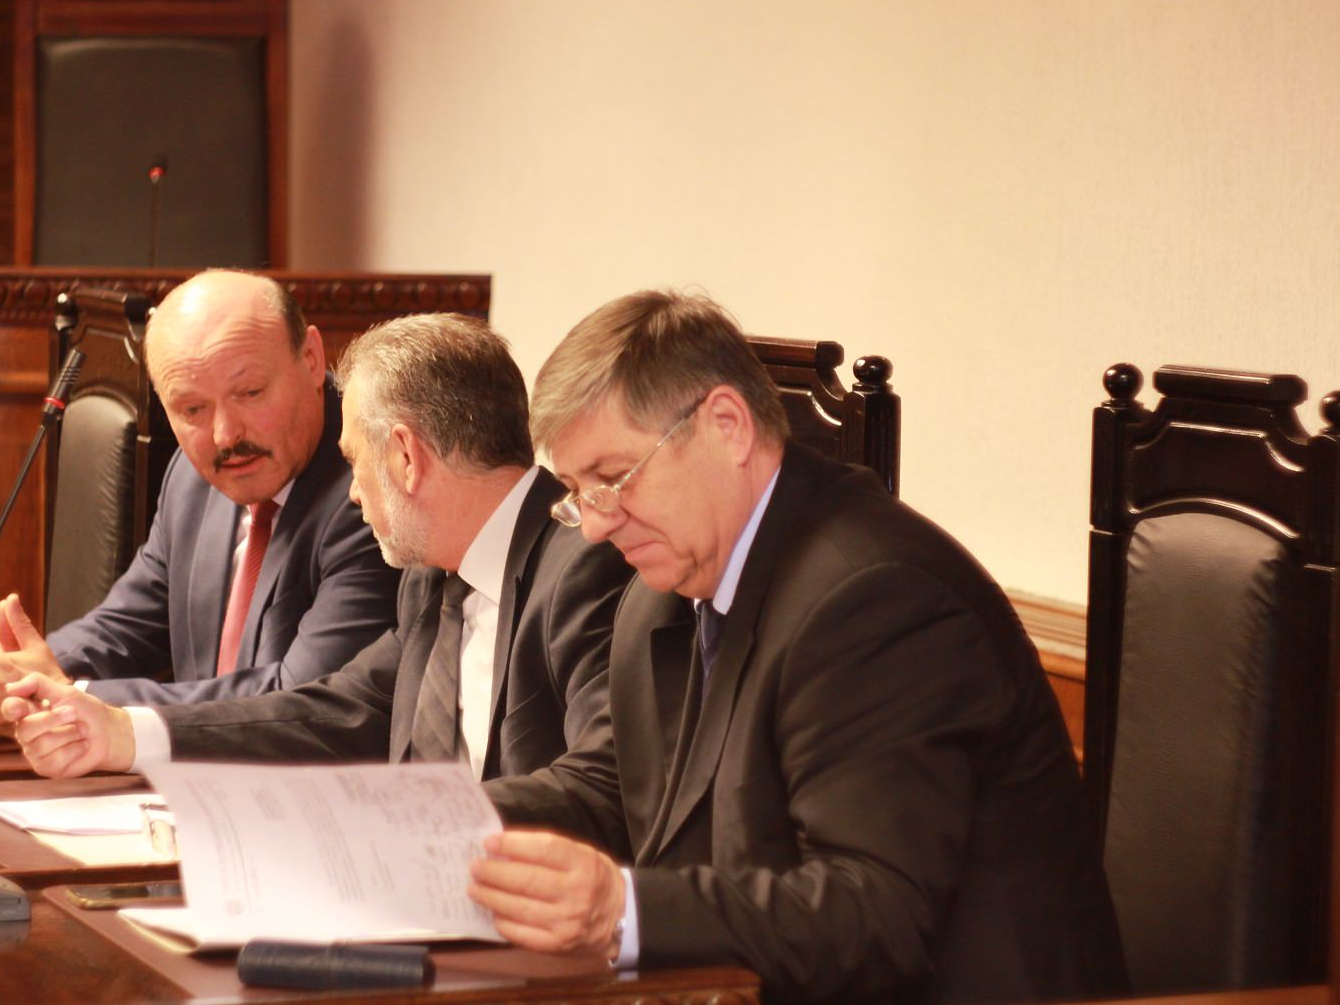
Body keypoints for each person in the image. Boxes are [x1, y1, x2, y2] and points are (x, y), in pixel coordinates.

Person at [466, 291, 1127, 1003]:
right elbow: (610, 786)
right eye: (577, 492)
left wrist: (623, 913)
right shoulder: (666, 587)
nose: (595, 526)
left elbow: (875, 915)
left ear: (727, 426)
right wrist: (441, 822)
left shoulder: (874, 600)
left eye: (614, 478)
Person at [2, 313, 631, 784]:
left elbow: (598, 784)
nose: (353, 493)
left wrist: (413, 825)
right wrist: (121, 732)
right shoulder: (433, 579)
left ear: (405, 457)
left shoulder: (587, 566)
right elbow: (336, 710)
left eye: (355, 461)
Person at [0, 269, 401, 748]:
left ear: (311, 358)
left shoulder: (370, 491)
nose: (225, 435)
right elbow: (129, 624)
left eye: (249, 392)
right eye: (192, 409)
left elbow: (300, 700)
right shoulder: (193, 476)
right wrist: (14, 677)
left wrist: (72, 698)